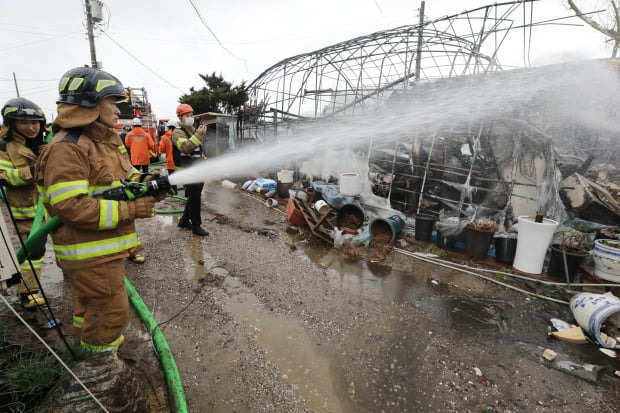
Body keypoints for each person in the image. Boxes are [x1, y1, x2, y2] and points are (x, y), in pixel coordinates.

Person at [35, 66, 162, 352]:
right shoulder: (68, 147)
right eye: (112, 102)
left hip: (103, 248)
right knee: (109, 311)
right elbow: (72, 207)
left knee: (90, 306)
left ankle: (86, 347)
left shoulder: (105, 141)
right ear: (89, 102)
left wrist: (148, 183)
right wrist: (131, 209)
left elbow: (124, 177)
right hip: (90, 250)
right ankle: (100, 367)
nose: (118, 111)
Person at [0, 97, 48, 308]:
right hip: (26, 211)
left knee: (66, 242)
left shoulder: (42, 145)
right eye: (24, 122)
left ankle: (73, 276)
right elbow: (4, 176)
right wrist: (34, 171)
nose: (31, 127)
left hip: (51, 207)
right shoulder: (4, 147)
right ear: (11, 124)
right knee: (34, 251)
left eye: (35, 122)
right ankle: (28, 292)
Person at [171, 103, 209, 236]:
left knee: (194, 196)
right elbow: (186, 148)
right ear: (180, 117)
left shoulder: (192, 130)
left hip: (197, 170)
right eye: (187, 115)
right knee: (195, 198)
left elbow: (197, 150)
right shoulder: (177, 133)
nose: (191, 117)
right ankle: (196, 226)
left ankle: (184, 220)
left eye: (192, 115)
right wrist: (199, 135)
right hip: (187, 171)